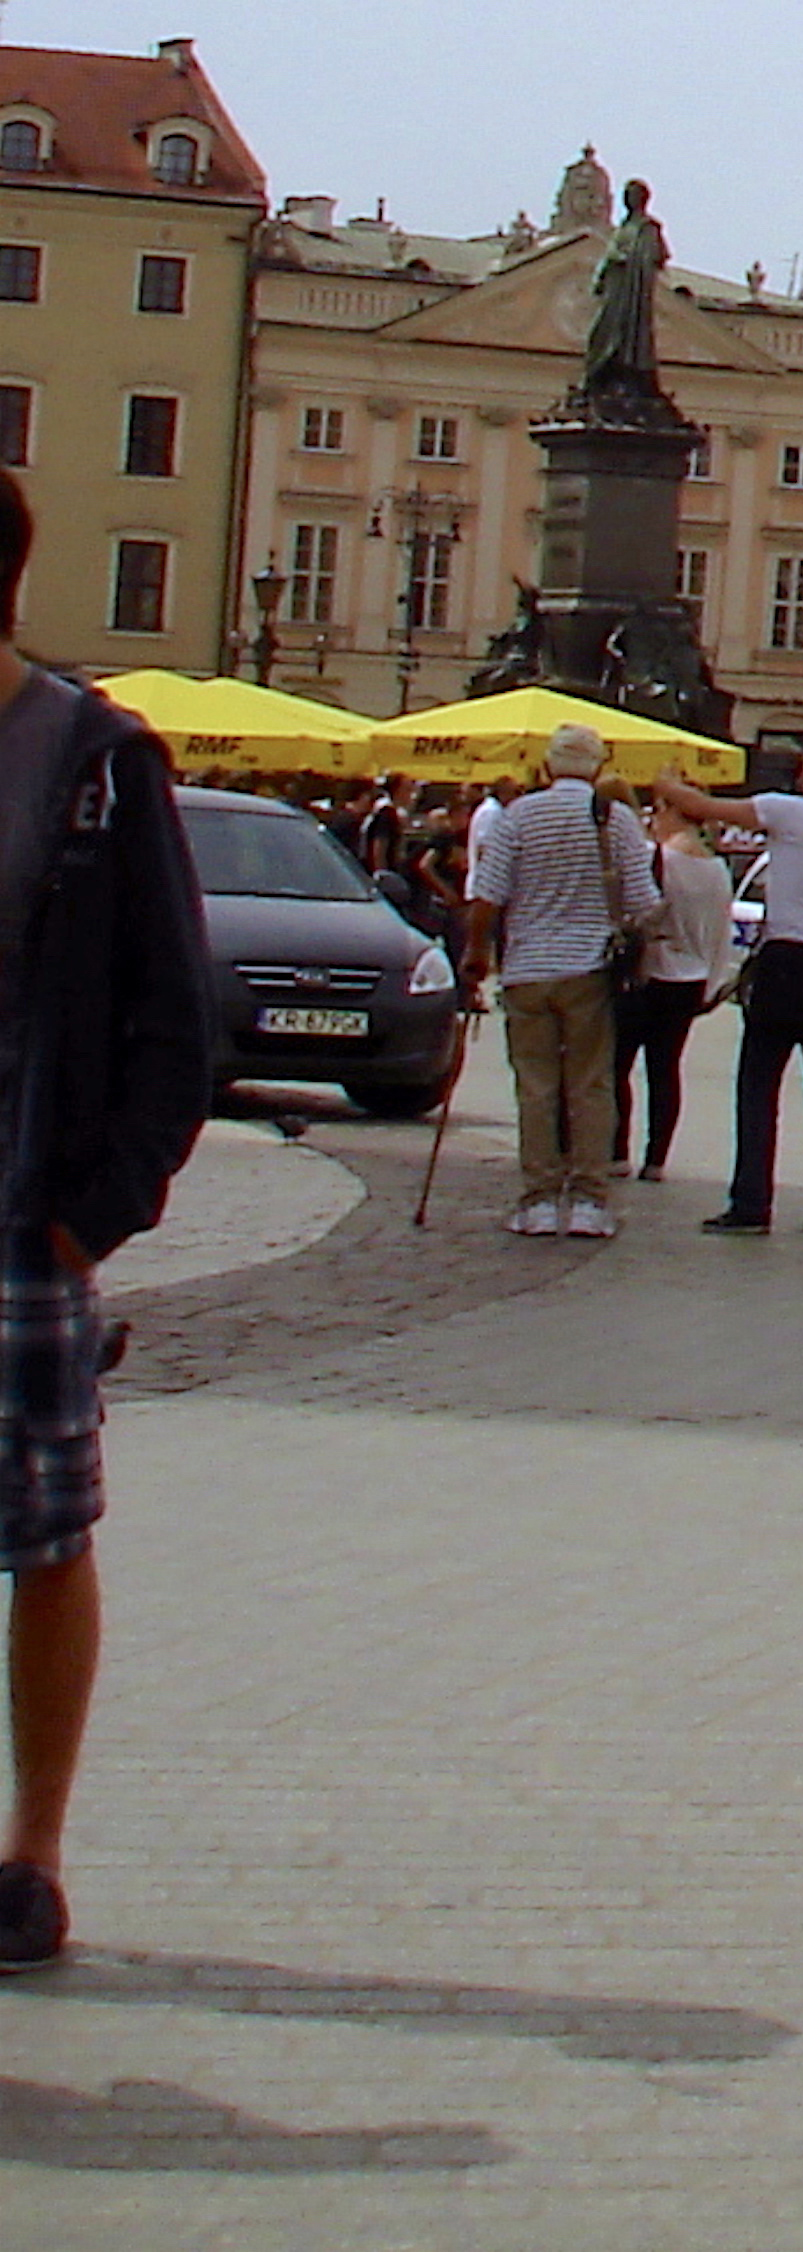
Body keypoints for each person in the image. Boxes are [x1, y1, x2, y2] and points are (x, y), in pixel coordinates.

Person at [0, 478, 226, 1969]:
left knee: (43, 1539)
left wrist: (97, 1212)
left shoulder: (88, 761)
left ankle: (31, 1852)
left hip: (19, 1229)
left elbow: (179, 1009)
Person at [658, 736, 803, 1235]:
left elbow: (702, 808)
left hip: (787, 961)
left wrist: (666, 782)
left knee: (758, 1083)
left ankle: (752, 1201)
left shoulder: (790, 811)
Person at [463, 725, 659, 1240]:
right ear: (597, 768)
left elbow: (487, 896)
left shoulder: (517, 816)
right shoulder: (615, 820)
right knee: (591, 1085)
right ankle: (590, 1201)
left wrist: (475, 955)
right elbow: (644, 902)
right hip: (588, 967)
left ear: (548, 766)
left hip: (528, 967)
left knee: (536, 1085)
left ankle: (539, 1200)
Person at [625, 794, 733, 1182]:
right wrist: (715, 981)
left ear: (672, 813)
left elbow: (645, 913)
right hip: (693, 976)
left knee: (620, 1062)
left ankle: (618, 1149)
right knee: (666, 1068)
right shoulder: (717, 868)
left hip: (654, 970)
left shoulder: (661, 860)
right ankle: (657, 1157)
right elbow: (723, 932)